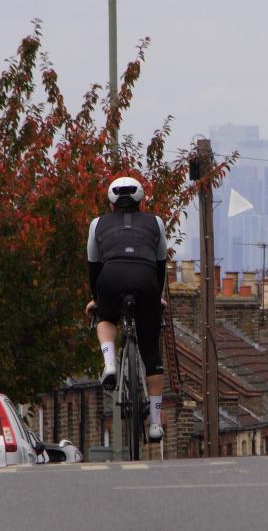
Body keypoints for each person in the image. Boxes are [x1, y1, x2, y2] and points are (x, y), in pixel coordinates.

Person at [85, 176, 167, 441]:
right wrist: (156, 296)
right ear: (141, 200)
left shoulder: (97, 224)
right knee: (152, 354)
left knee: (106, 317)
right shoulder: (156, 222)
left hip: (110, 277)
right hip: (147, 281)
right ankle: (155, 423)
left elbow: (93, 265)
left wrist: (96, 298)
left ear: (110, 203)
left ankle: (110, 363)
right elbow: (160, 264)